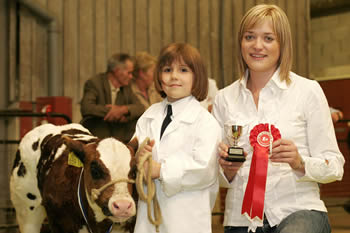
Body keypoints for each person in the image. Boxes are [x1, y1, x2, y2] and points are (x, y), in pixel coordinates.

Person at [212, 4, 345, 233]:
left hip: (299, 212)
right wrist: (228, 171)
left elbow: (334, 165)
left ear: (282, 44)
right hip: (241, 220)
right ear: (240, 43)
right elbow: (213, 175)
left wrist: (300, 162)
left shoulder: (308, 91)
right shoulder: (224, 99)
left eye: (268, 38)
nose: (257, 46)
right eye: (249, 37)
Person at [132, 42, 222, 233]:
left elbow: (205, 169)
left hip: (185, 220)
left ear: (197, 77)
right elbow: (134, 152)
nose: (174, 76)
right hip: (148, 219)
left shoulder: (205, 122)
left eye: (183, 70)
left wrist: (161, 170)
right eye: (167, 70)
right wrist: (137, 158)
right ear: (159, 77)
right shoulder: (148, 116)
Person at [80, 53, 145, 143]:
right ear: (117, 71)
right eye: (129, 73)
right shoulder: (94, 83)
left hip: (119, 140)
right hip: (96, 139)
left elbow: (140, 107)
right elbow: (87, 108)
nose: (131, 77)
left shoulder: (126, 87)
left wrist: (123, 109)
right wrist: (113, 112)